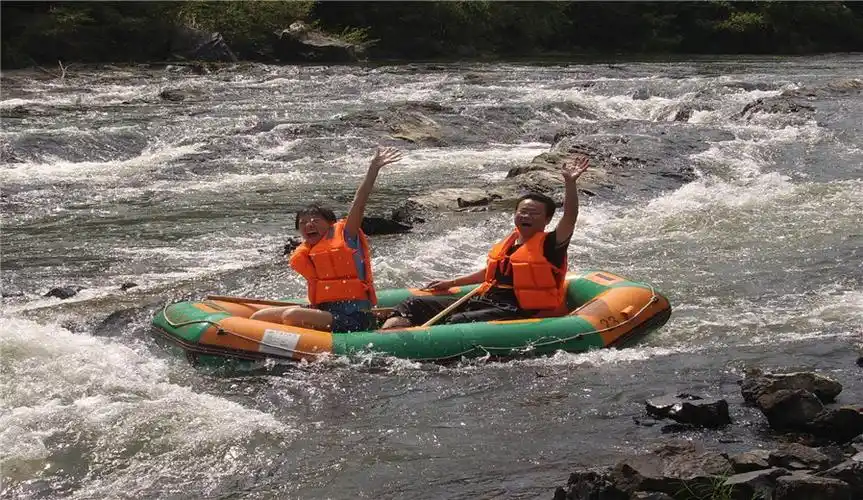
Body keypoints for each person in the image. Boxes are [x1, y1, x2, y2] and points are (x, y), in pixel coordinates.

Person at [381, 155, 590, 329]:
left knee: (456, 321)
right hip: (488, 300)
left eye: (534, 214)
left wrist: (570, 183)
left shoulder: (551, 245)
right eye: (522, 212)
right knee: (412, 304)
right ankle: (388, 338)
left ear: (547, 220)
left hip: (518, 310)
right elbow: (490, 274)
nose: (526, 216)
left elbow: (569, 218)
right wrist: (451, 283)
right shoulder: (510, 242)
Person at [251, 147, 403, 332]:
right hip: (325, 312)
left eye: (315, 220)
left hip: (355, 318)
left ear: (331, 224)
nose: (309, 225)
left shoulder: (347, 236)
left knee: (291, 315)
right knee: (258, 317)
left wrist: (373, 169)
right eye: (303, 223)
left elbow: (359, 202)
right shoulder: (307, 251)